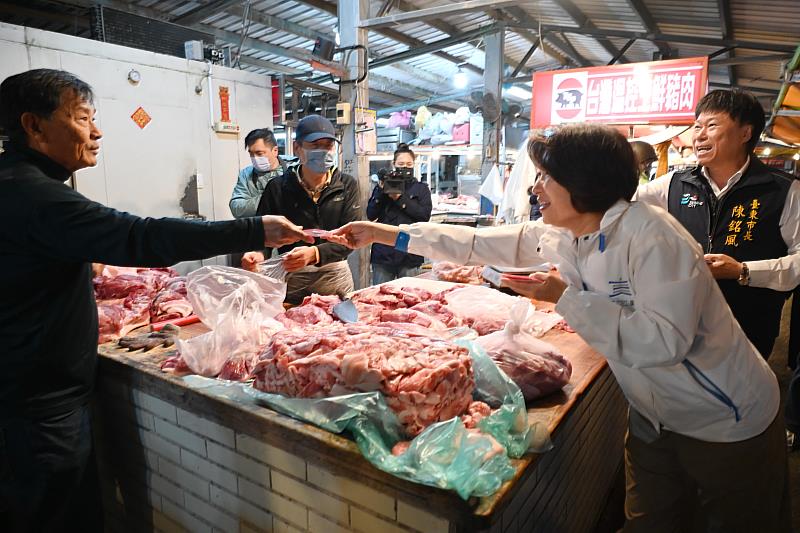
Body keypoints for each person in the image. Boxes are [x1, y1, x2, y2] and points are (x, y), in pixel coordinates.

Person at [328, 124, 789, 531]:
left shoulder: (653, 239)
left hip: (726, 417)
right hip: (652, 414)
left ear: (585, 183)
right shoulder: (566, 231)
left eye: (546, 177)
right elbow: (476, 241)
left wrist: (563, 297)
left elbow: (662, 341)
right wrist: (385, 233)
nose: (537, 187)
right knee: (649, 521)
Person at [0, 69, 311, 532]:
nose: (98, 131)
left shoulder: (16, 184)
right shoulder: (33, 194)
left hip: (29, 396)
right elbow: (138, 235)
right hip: (40, 408)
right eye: (84, 118)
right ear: (34, 125)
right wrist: (253, 228)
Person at [636, 89, 800, 361]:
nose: (699, 135)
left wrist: (743, 271)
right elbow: (622, 213)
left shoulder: (784, 191)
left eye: (711, 126)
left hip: (749, 331)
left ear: (745, 134)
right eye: (697, 126)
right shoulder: (672, 186)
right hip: (681, 328)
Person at [243, 114, 362, 304]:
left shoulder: (347, 185)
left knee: (340, 330)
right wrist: (257, 254)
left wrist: (315, 254)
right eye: (315, 146)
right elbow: (262, 232)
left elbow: (351, 237)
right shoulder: (278, 188)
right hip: (293, 279)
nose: (323, 151)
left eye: (328, 146)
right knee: (294, 327)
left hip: (335, 281)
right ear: (297, 148)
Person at [366, 143, 432, 284]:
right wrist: (381, 190)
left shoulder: (421, 189)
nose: (405, 167)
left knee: (410, 296)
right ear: (394, 164)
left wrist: (399, 198)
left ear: (414, 165)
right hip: (383, 254)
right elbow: (371, 214)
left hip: (410, 252)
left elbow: (424, 216)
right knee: (380, 298)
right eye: (401, 163)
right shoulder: (383, 188)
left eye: (409, 164)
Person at [229, 128, 286, 218]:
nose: (254, 158)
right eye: (251, 153)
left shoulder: (294, 168)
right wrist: (270, 197)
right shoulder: (246, 174)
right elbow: (237, 208)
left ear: (275, 151)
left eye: (259, 153)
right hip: (261, 229)